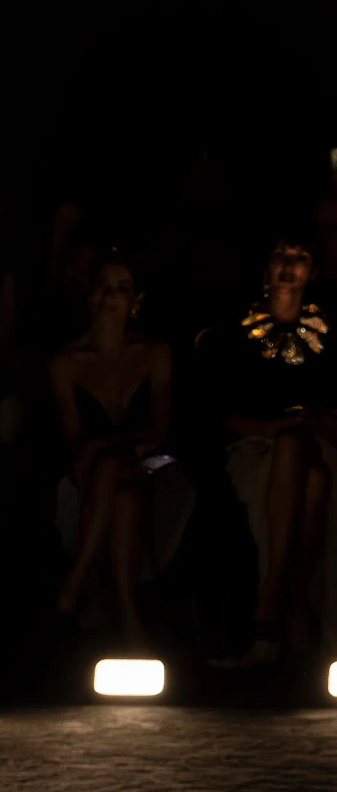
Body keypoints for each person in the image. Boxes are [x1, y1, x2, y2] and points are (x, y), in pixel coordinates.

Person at [195, 227, 336, 661]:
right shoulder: (232, 333)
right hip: (254, 446)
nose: (290, 264)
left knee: (300, 450)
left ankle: (269, 600)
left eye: (301, 257)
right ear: (266, 266)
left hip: (314, 441)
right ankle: (293, 601)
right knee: (310, 484)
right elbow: (219, 412)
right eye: (281, 253)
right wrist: (272, 429)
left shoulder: (330, 334)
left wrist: (306, 423)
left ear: (313, 272)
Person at [48, 254, 183, 641]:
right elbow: (74, 441)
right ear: (91, 296)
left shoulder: (154, 353)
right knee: (120, 491)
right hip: (97, 474)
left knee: (112, 467)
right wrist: (97, 454)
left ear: (135, 300)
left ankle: (78, 581)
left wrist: (107, 446)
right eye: (104, 287)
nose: (112, 297)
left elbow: (160, 432)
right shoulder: (67, 362)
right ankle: (128, 613)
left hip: (159, 462)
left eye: (122, 289)